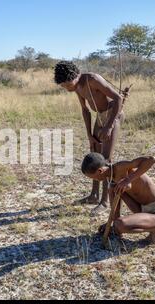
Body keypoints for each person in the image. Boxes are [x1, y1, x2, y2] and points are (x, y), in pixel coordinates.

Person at [54, 61, 126, 207]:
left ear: (75, 75)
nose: (68, 88)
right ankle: (94, 195)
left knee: (105, 160)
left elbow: (118, 98)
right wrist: (89, 134)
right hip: (99, 117)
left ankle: (105, 201)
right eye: (64, 86)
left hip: (112, 116)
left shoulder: (92, 79)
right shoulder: (76, 87)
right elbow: (85, 110)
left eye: (68, 84)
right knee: (94, 156)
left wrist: (109, 126)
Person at [81, 153, 155, 244]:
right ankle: (118, 229)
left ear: (100, 171)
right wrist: (110, 224)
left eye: (94, 178)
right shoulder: (111, 179)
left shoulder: (120, 167)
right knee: (112, 190)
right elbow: (115, 210)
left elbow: (151, 159)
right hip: (143, 210)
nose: (95, 180)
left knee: (120, 224)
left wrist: (128, 180)